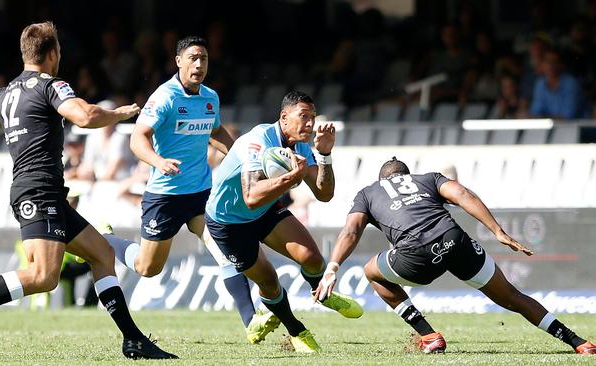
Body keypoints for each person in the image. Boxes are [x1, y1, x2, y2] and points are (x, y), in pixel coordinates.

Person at [0, 22, 176, 361]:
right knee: (44, 276)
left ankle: (133, 340)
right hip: (38, 193)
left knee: (101, 254)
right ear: (53, 54)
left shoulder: (4, 94)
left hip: (45, 192)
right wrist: (119, 113)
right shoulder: (51, 86)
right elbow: (83, 116)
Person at [315, 157, 596, 355]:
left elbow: (351, 231)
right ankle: (578, 342)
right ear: (406, 175)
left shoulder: (368, 193)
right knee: (512, 296)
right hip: (454, 240)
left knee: (371, 272)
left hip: (415, 255)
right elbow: (462, 193)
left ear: (382, 179)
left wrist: (333, 269)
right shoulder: (427, 178)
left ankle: (428, 335)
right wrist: (497, 231)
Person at [102, 36, 279, 344]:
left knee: (225, 251)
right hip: (165, 195)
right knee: (147, 267)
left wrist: (243, 157)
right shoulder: (165, 97)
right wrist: (159, 160)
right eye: (194, 58)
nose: (199, 64)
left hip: (200, 194)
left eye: (205, 59)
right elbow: (137, 138)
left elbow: (216, 132)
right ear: (179, 61)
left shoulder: (210, 98)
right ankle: (106, 242)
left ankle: (250, 321)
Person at [204, 91, 363, 354]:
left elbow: (324, 194)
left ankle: (322, 292)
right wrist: (291, 178)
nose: (310, 124)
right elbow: (252, 196)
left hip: (265, 211)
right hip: (228, 222)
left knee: (312, 259)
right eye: (304, 117)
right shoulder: (257, 141)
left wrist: (324, 155)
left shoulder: (300, 145)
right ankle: (296, 330)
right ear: (283, 118)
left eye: (312, 117)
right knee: (269, 281)